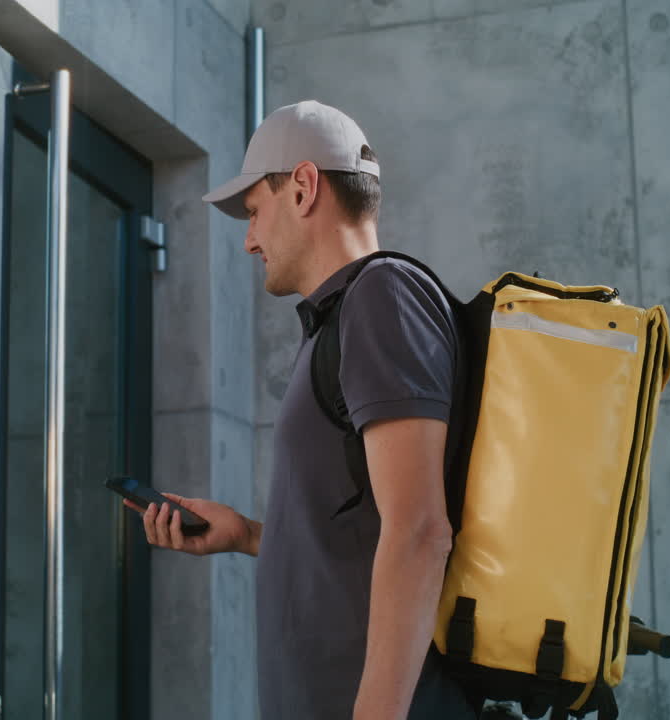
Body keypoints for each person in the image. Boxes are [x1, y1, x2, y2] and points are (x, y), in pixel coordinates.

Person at [126, 101, 475, 720]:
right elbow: (369, 531)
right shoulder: (344, 317)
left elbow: (421, 531)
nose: (248, 239)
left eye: (255, 211)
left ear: (305, 188)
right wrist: (251, 535)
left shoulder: (381, 297)